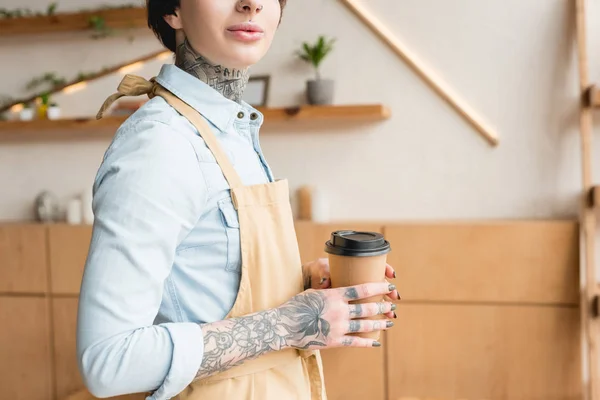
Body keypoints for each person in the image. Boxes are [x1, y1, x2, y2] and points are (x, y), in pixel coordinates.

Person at [76, 1, 401, 399]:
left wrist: (299, 287)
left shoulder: (231, 131)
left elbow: (203, 287)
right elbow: (107, 362)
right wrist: (289, 324)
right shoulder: (161, 144)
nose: (251, 3)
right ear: (172, 10)